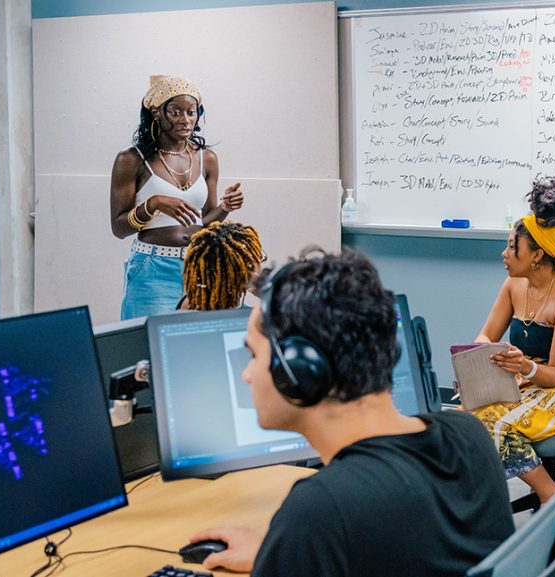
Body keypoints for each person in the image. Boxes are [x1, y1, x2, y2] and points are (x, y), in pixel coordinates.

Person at [190, 247, 515, 575]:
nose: (246, 374)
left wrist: (294, 547)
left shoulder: (320, 512)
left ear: (301, 370)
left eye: (253, 355)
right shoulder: (468, 435)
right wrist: (283, 552)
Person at [471, 174, 555, 505]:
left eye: (512, 247)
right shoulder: (514, 286)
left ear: (536, 256)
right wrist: (475, 364)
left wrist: (525, 366)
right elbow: (486, 335)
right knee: (465, 419)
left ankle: (553, 497)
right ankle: (546, 489)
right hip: (529, 380)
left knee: (497, 425)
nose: (504, 253)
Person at [110, 75, 244, 320]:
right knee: (148, 346)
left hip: (199, 266)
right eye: (176, 112)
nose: (186, 120)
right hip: (152, 269)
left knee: (194, 347)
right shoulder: (131, 159)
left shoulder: (207, 158)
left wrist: (225, 207)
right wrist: (152, 204)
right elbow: (119, 228)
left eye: (191, 112)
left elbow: (207, 223)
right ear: (156, 113)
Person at [179, 221, 264, 311]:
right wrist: (260, 285)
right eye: (259, 257)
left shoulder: (192, 304)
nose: (261, 261)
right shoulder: (251, 318)